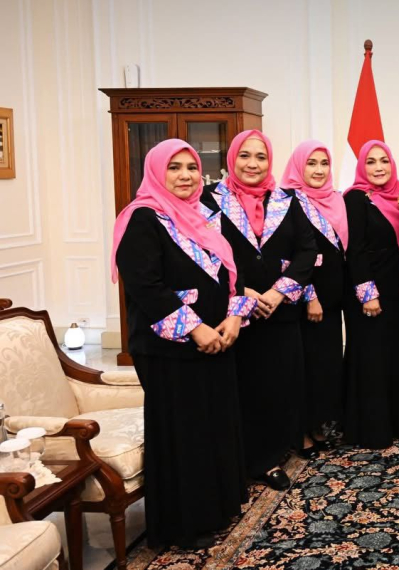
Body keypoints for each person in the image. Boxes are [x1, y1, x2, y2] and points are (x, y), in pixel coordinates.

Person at [112, 139, 253, 549]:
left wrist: (233, 319)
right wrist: (196, 329)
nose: (185, 176)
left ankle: (216, 509)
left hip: (218, 340)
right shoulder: (142, 219)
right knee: (184, 434)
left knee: (213, 427)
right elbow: (146, 288)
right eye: (174, 168)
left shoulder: (203, 216)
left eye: (191, 167)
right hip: (170, 349)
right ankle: (181, 527)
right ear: (156, 172)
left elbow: (233, 272)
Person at [202, 130, 317, 490]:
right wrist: (245, 293)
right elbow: (205, 253)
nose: (253, 164)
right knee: (242, 387)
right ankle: (245, 460)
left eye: (261, 157)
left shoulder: (287, 200)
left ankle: (270, 455)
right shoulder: (210, 200)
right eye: (245, 156)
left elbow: (306, 251)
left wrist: (279, 292)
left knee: (279, 385)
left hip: (279, 311)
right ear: (231, 160)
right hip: (235, 314)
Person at [342, 140, 399, 448]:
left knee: (395, 355)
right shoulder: (356, 199)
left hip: (398, 288)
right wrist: (368, 293)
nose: (379, 167)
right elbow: (354, 250)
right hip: (369, 291)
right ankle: (371, 429)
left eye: (384, 160)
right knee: (371, 358)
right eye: (371, 162)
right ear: (362, 166)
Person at [281, 141, 348, 454]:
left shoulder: (335, 199)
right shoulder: (288, 202)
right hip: (308, 302)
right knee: (304, 369)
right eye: (311, 163)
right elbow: (294, 257)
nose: (319, 170)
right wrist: (311, 297)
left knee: (326, 366)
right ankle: (302, 433)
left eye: (324, 163)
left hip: (334, 300)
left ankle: (319, 424)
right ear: (298, 166)